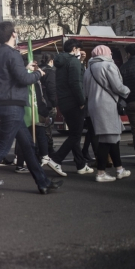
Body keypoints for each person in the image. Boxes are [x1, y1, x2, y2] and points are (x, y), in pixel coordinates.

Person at [0, 22, 62, 198]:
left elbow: (8, 77)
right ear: (13, 34)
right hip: (12, 104)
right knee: (3, 147)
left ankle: (43, 183)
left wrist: (25, 71)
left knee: (28, 145)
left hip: (5, 103)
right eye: (16, 32)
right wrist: (38, 74)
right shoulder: (12, 54)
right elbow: (22, 79)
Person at [45, 39, 93, 177]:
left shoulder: (61, 62)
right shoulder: (73, 62)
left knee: (74, 134)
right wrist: (81, 100)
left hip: (64, 102)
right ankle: (56, 159)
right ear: (74, 48)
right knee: (75, 134)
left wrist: (81, 61)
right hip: (74, 102)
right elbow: (76, 82)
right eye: (79, 48)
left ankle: (81, 164)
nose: (80, 51)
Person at [84, 45, 131, 182]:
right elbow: (118, 86)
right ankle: (101, 173)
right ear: (106, 54)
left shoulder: (88, 69)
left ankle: (119, 169)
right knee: (107, 140)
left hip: (94, 106)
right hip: (107, 105)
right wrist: (127, 91)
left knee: (112, 138)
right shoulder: (108, 66)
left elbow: (85, 92)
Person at [39, 54, 57, 156]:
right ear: (51, 61)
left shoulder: (38, 70)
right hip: (48, 103)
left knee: (40, 127)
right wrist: (54, 103)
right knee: (48, 128)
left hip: (38, 102)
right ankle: (48, 149)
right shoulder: (50, 71)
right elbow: (52, 88)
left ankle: (42, 148)